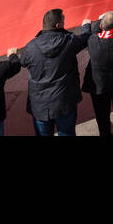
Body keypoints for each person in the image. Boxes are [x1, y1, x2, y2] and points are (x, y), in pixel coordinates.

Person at [21, 8, 91, 136]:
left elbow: (23, 62)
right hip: (64, 102)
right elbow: (84, 39)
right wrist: (86, 26)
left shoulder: (31, 46)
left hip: (40, 106)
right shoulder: (68, 41)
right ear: (58, 25)